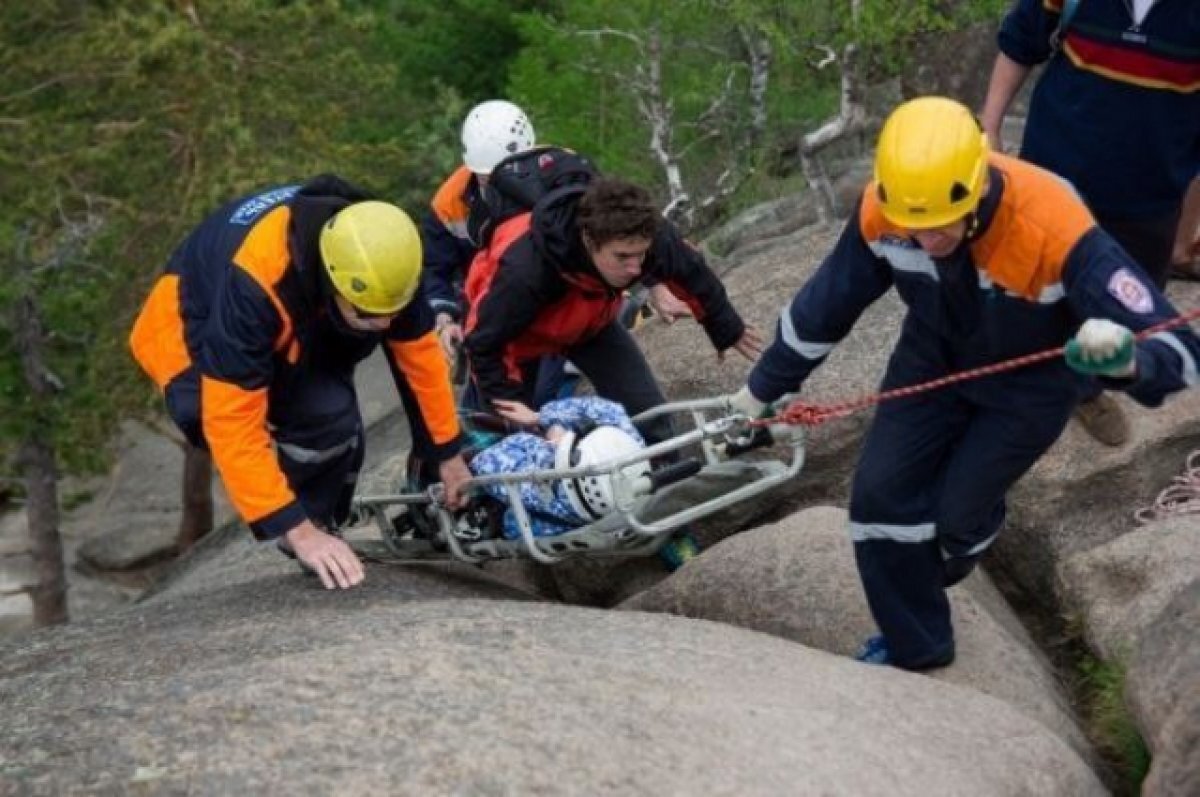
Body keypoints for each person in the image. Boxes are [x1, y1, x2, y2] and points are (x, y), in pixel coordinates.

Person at [728, 97, 1200, 671]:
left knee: (951, 527)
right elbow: (826, 304)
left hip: (1030, 385)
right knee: (878, 499)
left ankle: (970, 530)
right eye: (914, 228)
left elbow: (1177, 346)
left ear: (975, 187)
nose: (925, 241)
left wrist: (1127, 363)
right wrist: (760, 393)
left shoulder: (1053, 222)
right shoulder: (887, 210)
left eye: (937, 227)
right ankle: (917, 647)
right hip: (930, 362)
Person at [129, 176, 471, 591]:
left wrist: (446, 452)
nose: (382, 325)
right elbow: (230, 423)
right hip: (193, 322)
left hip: (303, 303)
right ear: (333, 280)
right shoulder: (256, 286)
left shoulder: (388, 256)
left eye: (390, 314)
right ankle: (307, 527)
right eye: (367, 314)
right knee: (311, 416)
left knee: (336, 418)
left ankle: (323, 515)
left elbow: (420, 359)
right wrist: (297, 529)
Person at [979, 0, 1200, 446]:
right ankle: (1009, 387)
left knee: (1123, 310)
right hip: (1052, 177)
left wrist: (1187, 227)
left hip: (1149, 196)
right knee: (1026, 293)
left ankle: (1085, 389)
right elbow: (1020, 43)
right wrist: (990, 130)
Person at [420, 100, 693, 393]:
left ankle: (618, 317)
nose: (504, 181)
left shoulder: (566, 169)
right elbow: (437, 271)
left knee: (583, 392)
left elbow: (619, 227)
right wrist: (445, 319)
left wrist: (657, 285)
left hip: (571, 299)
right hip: (505, 312)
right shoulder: (449, 205)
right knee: (501, 409)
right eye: (490, 176)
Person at [467, 396, 649, 540]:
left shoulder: (543, 487)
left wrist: (551, 436)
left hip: (510, 498)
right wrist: (542, 421)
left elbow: (483, 463)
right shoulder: (631, 450)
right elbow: (610, 411)